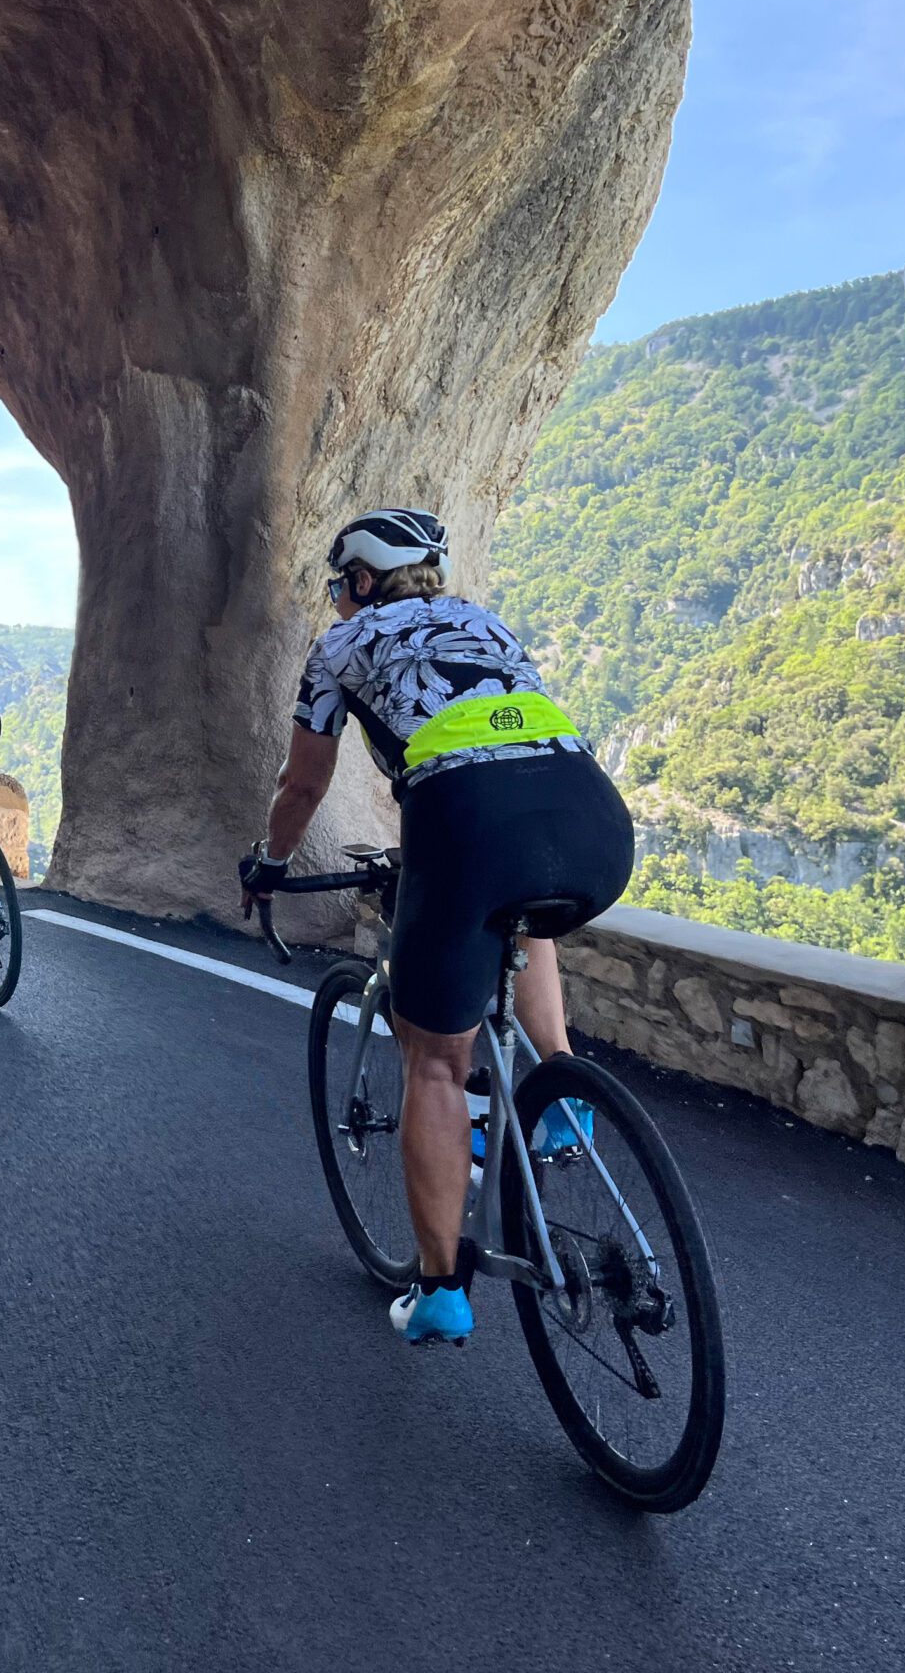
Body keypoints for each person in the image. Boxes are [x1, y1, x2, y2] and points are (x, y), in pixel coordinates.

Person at [240, 508, 632, 1346]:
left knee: (436, 1064)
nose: (341, 601)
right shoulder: (485, 622)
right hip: (592, 818)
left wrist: (270, 863)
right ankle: (562, 1088)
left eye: (342, 587)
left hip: (466, 825)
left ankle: (440, 1287)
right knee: (525, 915)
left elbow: (303, 784)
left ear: (359, 581)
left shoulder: (340, 647)